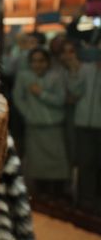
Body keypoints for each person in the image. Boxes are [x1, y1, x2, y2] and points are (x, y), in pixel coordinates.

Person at [12, 48, 69, 197]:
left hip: (54, 129)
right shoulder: (24, 77)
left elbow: (61, 100)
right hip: (34, 128)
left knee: (58, 167)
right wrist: (29, 114)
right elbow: (18, 98)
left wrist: (41, 94)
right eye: (34, 61)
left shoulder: (57, 76)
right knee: (38, 168)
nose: (38, 65)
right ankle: (41, 201)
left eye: (41, 61)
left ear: (48, 62)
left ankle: (58, 199)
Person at [61, 39, 101, 213]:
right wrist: (74, 70)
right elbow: (75, 91)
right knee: (85, 163)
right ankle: (85, 201)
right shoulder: (86, 68)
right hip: (83, 123)